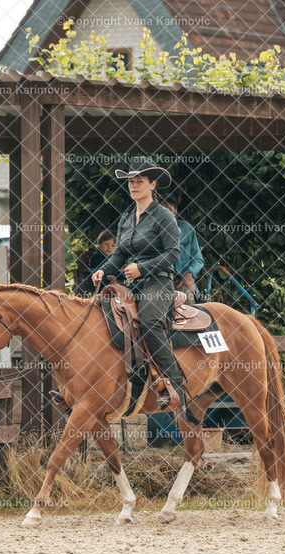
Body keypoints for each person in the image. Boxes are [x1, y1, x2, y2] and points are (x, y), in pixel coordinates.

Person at [92, 156, 187, 413]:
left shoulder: (164, 217)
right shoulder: (125, 218)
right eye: (130, 182)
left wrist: (142, 268)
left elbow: (173, 254)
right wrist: (103, 270)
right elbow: (119, 255)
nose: (133, 186)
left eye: (139, 181)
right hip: (131, 283)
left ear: (152, 184)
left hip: (159, 282)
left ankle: (175, 386)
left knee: (149, 320)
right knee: (97, 313)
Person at [161, 197, 204, 305]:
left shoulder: (187, 229)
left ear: (175, 212)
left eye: (169, 210)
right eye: (162, 211)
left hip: (181, 280)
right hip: (159, 281)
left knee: (187, 297)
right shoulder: (151, 231)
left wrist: (189, 274)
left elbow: (198, 259)